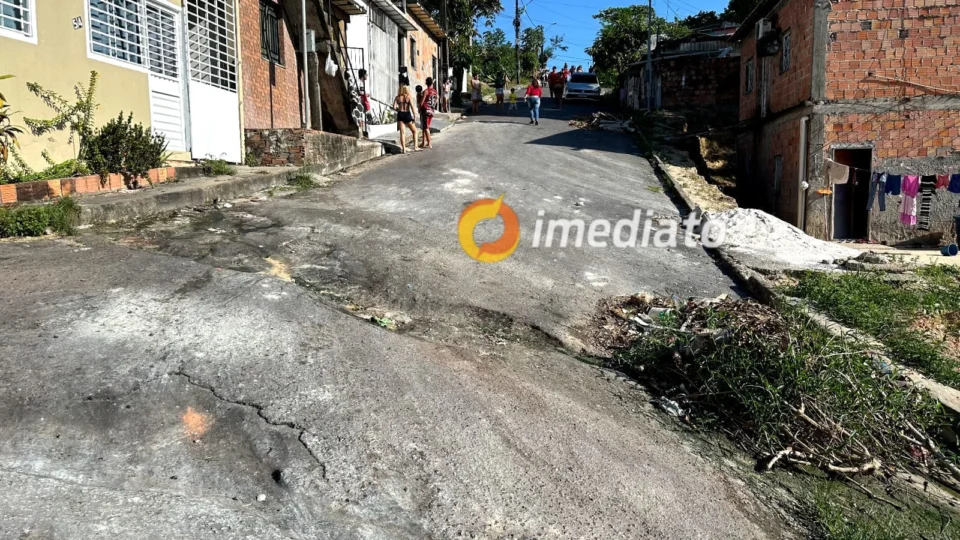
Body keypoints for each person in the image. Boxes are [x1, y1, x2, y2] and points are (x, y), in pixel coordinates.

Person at [393, 82, 419, 153]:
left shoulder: (397, 97)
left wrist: (398, 109)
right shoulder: (408, 97)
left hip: (400, 114)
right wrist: (414, 115)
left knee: (402, 133)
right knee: (414, 131)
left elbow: (394, 107)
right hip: (407, 114)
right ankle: (416, 147)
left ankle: (404, 149)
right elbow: (412, 107)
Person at [419, 77, 439, 149]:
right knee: (425, 126)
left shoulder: (426, 91)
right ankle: (423, 142)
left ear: (426, 83)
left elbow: (422, 102)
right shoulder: (434, 91)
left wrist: (419, 108)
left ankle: (429, 143)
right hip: (431, 110)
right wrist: (433, 105)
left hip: (425, 110)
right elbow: (437, 98)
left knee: (426, 127)